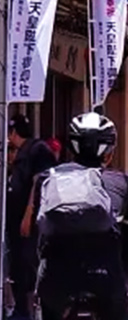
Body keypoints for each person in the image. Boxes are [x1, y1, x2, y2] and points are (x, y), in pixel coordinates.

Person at [27, 112, 128, 320]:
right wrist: (119, 278)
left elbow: (36, 236)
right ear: (109, 152)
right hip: (105, 279)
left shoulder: (48, 179)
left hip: (56, 280)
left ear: (71, 147)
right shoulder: (124, 183)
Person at [6, 115, 56, 320]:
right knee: (17, 263)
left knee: (30, 262)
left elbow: (40, 181)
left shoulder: (37, 149)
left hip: (31, 221)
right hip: (14, 219)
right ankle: (21, 309)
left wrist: (29, 213)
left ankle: (41, 308)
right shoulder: (18, 154)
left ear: (13, 132)